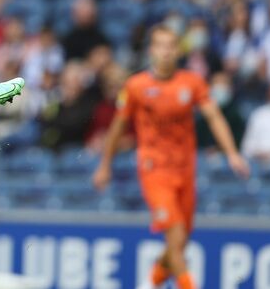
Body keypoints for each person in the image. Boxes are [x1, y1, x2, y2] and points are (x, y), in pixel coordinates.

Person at [92, 26, 249, 289]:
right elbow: (118, 127)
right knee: (175, 234)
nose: (165, 51)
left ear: (178, 51)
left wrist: (232, 153)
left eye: (170, 45)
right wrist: (104, 165)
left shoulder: (192, 83)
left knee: (181, 240)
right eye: (160, 45)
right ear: (151, 50)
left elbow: (213, 116)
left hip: (185, 169)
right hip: (154, 169)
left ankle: (151, 282)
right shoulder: (136, 86)